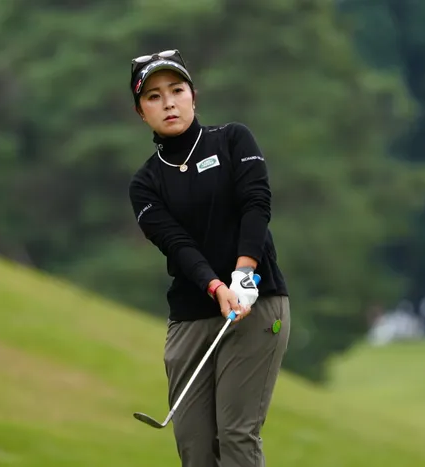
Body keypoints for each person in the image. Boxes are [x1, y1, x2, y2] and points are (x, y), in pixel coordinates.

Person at [127, 48, 291, 467]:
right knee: (194, 446)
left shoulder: (233, 140)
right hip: (192, 314)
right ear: (141, 112)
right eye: (154, 96)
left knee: (236, 434)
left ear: (193, 96)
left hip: (255, 303)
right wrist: (216, 286)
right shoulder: (145, 183)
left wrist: (243, 273)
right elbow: (177, 244)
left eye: (176, 90)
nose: (168, 103)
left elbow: (256, 204)